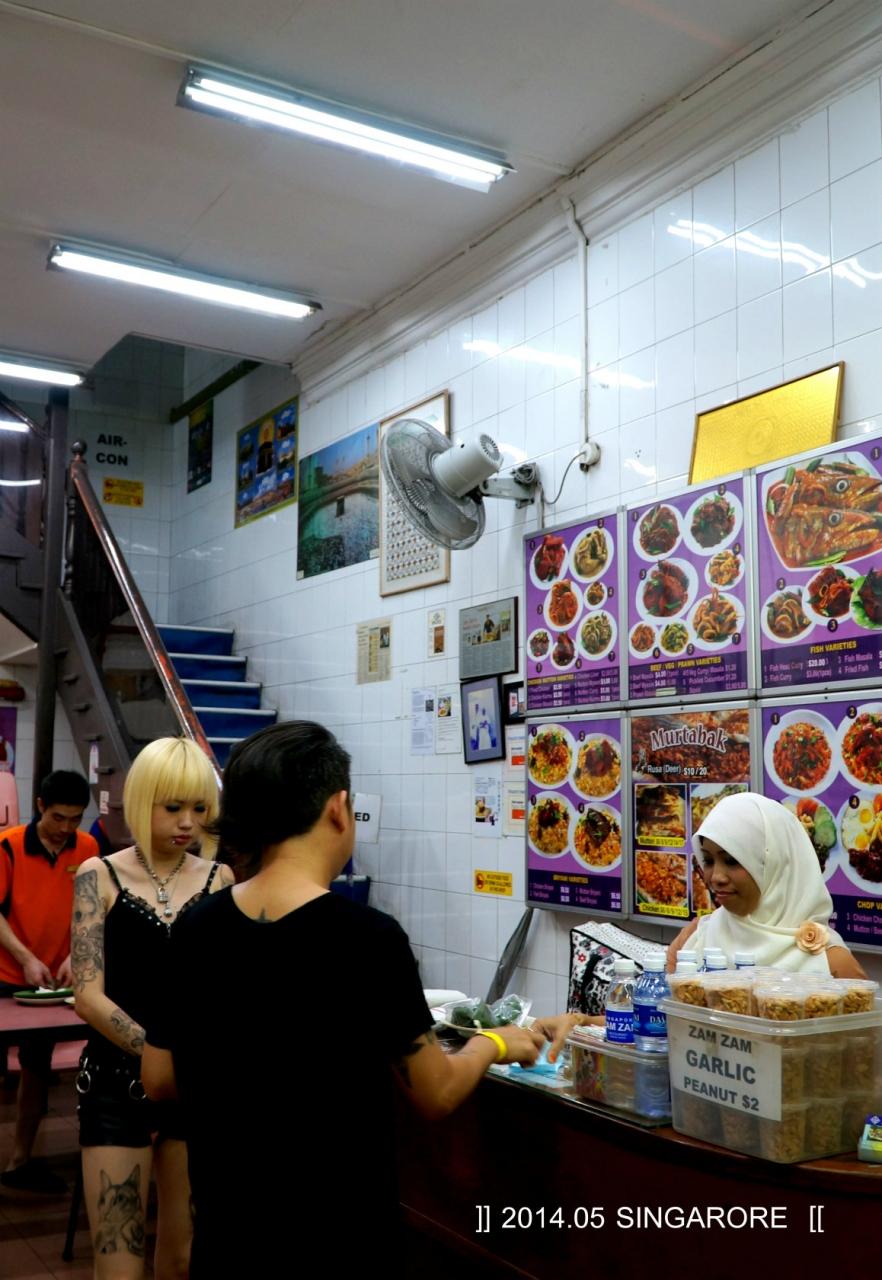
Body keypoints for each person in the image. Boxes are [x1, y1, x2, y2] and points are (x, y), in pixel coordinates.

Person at [142, 721, 548, 1277]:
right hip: (342, 1241)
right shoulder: (368, 939)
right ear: (338, 809)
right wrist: (494, 1042)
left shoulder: (196, 928)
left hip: (229, 1236)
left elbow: (158, 1078)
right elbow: (436, 1091)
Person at [72, 738, 232, 1279]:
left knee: (183, 1259)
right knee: (118, 1264)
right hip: (115, 1085)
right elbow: (88, 996)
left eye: (199, 808)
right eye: (173, 807)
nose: (187, 822)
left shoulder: (219, 880)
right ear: (143, 802)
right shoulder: (98, 875)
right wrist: (160, 1052)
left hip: (193, 1088)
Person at [0, 769, 97, 1193]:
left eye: (75, 819)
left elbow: (92, 910)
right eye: (58, 817)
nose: (65, 828)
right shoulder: (8, 847)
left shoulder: (88, 848)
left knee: (37, 1066)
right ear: (40, 806)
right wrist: (25, 957)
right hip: (8, 974)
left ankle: (20, 1161)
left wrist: (77, 955)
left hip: (55, 979)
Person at [668, 791, 868, 977]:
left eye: (732, 860)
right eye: (708, 861)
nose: (716, 877)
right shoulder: (695, 938)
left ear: (776, 864)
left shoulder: (833, 965)